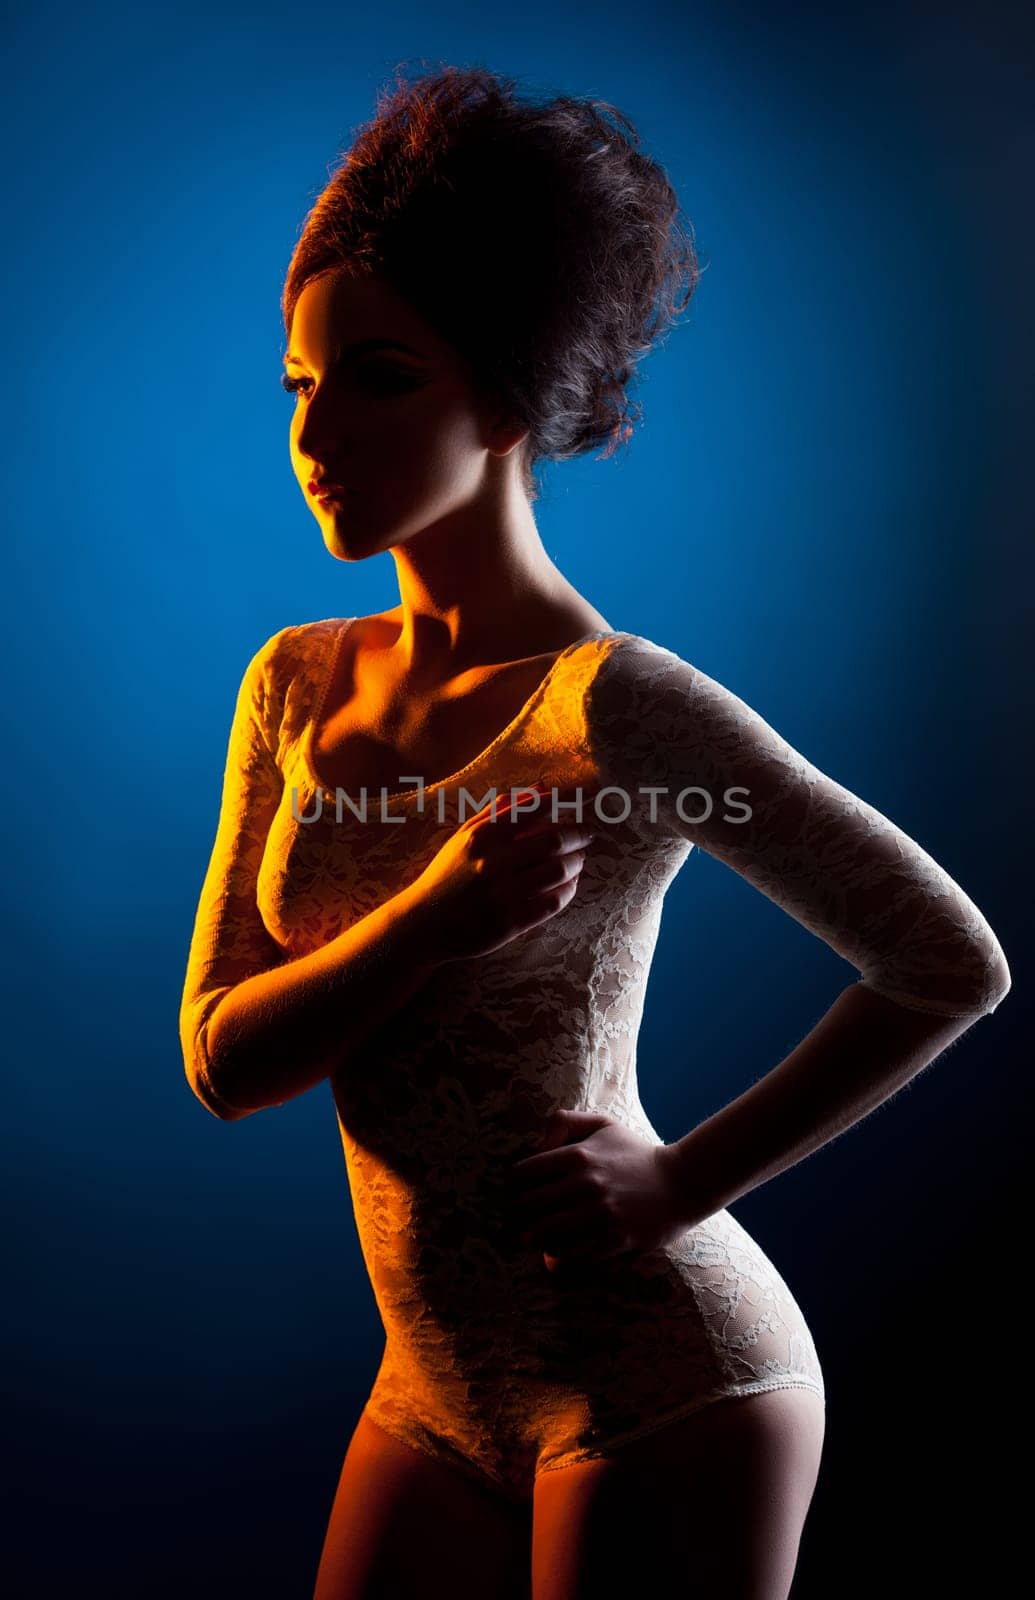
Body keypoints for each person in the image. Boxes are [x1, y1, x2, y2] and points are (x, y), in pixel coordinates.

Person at [178, 62, 1012, 1600]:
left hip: (666, 1383)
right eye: (299, 384)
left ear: (504, 393)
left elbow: (948, 964)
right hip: (429, 1389)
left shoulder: (620, 712)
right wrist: (434, 911)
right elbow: (225, 1063)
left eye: (376, 375)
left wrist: (684, 1183)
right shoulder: (293, 684)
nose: (318, 430)